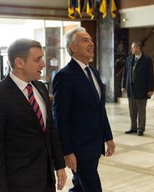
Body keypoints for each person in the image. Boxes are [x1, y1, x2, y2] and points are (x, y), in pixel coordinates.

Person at [0, 38, 67, 192]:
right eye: (37, 59)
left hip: (46, 180)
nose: (43, 64)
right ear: (19, 62)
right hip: (18, 183)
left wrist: (59, 165)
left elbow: (50, 130)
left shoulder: (40, 88)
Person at [52, 27, 116, 192]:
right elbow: (61, 117)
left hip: (94, 145)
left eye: (91, 40)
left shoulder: (93, 72)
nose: (91, 43)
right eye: (85, 40)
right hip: (78, 148)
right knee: (93, 187)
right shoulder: (64, 76)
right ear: (73, 47)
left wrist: (108, 137)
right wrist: (67, 151)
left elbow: (100, 109)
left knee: (80, 187)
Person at [121, 41, 154, 136]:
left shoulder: (147, 60)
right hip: (131, 89)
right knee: (132, 110)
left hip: (142, 89)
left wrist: (150, 89)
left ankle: (141, 128)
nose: (131, 49)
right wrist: (123, 85)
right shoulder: (129, 59)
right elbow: (125, 73)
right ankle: (133, 127)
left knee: (141, 110)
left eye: (133, 47)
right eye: (131, 48)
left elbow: (150, 75)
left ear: (138, 48)